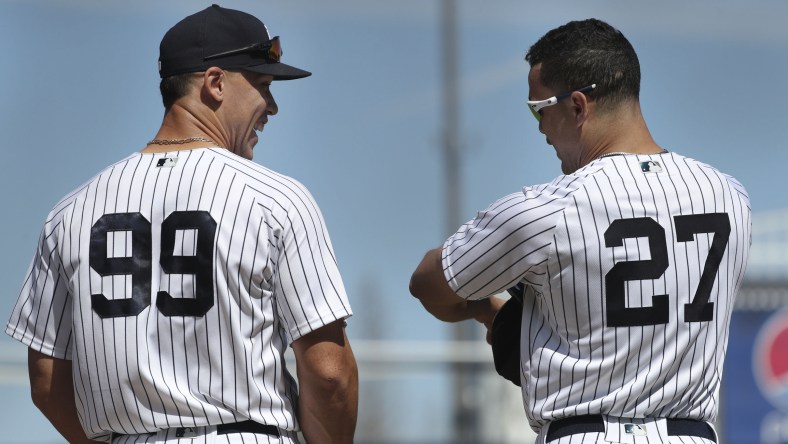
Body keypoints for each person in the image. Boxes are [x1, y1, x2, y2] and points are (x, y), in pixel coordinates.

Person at [6, 5, 357, 444]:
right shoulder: (277, 201)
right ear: (214, 83)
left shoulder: (70, 211)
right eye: (263, 85)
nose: (272, 106)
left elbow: (45, 379)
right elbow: (329, 375)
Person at [410, 18, 750, 444]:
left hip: (585, 434)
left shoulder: (545, 210)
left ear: (576, 106)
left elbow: (428, 283)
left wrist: (489, 311)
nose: (539, 127)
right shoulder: (730, 196)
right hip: (691, 435)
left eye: (539, 109)